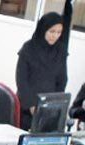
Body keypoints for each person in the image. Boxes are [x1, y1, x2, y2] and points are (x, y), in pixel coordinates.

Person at [16, 0, 72, 131]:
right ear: (43, 29)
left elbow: (62, 80)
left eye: (59, 32)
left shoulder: (60, 51)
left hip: (50, 106)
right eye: (52, 31)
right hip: (28, 105)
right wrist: (31, 104)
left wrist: (56, 104)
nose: (55, 36)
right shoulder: (28, 48)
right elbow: (21, 80)